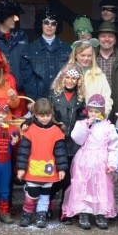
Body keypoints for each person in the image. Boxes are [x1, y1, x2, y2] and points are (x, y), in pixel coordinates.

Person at [62, 94, 118, 230]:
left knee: (100, 187)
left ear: (102, 112)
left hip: (101, 161)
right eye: (91, 111)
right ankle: (84, 212)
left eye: (96, 112)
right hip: (84, 160)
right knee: (83, 186)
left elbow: (113, 146)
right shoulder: (82, 124)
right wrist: (86, 126)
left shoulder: (108, 127)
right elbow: (77, 139)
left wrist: (112, 163)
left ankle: (100, 213)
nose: (93, 114)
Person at [15, 98, 70, 228]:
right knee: (32, 193)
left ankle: (41, 215)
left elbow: (60, 152)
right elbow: (23, 151)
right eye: (41, 116)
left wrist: (61, 169)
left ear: (52, 113)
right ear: (35, 114)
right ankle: (27, 214)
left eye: (48, 115)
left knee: (45, 194)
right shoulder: (30, 130)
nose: (45, 118)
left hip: (49, 170)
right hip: (32, 169)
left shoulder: (56, 131)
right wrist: (21, 168)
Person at [48, 63, 86, 222]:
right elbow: (49, 116)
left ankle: (66, 209)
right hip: (58, 141)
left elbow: (83, 120)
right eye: (67, 77)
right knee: (56, 175)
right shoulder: (54, 95)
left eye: (74, 78)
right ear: (62, 78)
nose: (70, 81)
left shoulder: (81, 99)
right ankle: (48, 202)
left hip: (74, 143)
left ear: (78, 81)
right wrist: (57, 125)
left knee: (69, 178)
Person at [20, 8, 72, 100]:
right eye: (46, 22)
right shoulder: (29, 50)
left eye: (53, 23)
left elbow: (70, 76)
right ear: (41, 24)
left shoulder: (66, 49)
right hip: (38, 100)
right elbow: (27, 79)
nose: (49, 26)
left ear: (57, 25)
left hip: (62, 99)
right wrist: (32, 100)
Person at [69, 41, 113, 116]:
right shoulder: (67, 72)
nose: (86, 58)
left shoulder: (99, 74)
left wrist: (102, 116)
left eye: (89, 55)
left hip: (93, 118)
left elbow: (107, 98)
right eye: (82, 55)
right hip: (71, 118)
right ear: (76, 55)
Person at [0, 0, 28, 80]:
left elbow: (27, 64)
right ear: (2, 17)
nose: (15, 19)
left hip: (19, 85)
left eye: (15, 16)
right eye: (11, 16)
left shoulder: (22, 36)